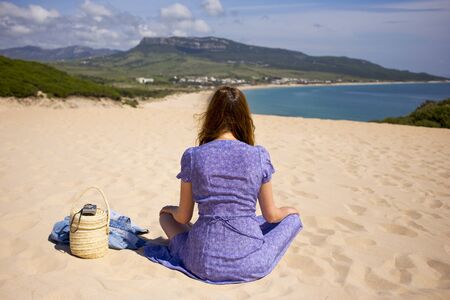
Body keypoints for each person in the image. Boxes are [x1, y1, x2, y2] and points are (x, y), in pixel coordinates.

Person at [155, 86, 303, 283]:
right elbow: (271, 215)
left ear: (211, 116)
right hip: (250, 263)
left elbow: (183, 217)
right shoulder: (258, 156)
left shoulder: (193, 156)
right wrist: (290, 210)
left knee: (166, 218)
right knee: (291, 219)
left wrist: (167, 209)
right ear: (244, 117)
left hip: (202, 262)